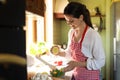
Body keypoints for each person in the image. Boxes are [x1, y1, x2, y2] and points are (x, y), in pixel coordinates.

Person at [57, 2, 105, 80]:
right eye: (67, 21)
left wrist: (76, 64)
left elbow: (100, 62)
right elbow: (70, 53)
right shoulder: (71, 32)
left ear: (81, 17)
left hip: (90, 77)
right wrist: (59, 53)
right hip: (76, 75)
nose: (69, 24)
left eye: (71, 21)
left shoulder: (93, 35)